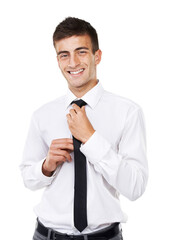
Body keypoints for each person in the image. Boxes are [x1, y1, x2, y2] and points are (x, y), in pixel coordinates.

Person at [20, 17, 148, 240]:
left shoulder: (128, 112)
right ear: (58, 61)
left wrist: (91, 139)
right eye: (64, 55)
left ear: (96, 56)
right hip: (46, 235)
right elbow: (27, 178)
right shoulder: (42, 115)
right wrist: (47, 166)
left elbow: (135, 187)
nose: (72, 63)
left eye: (81, 52)